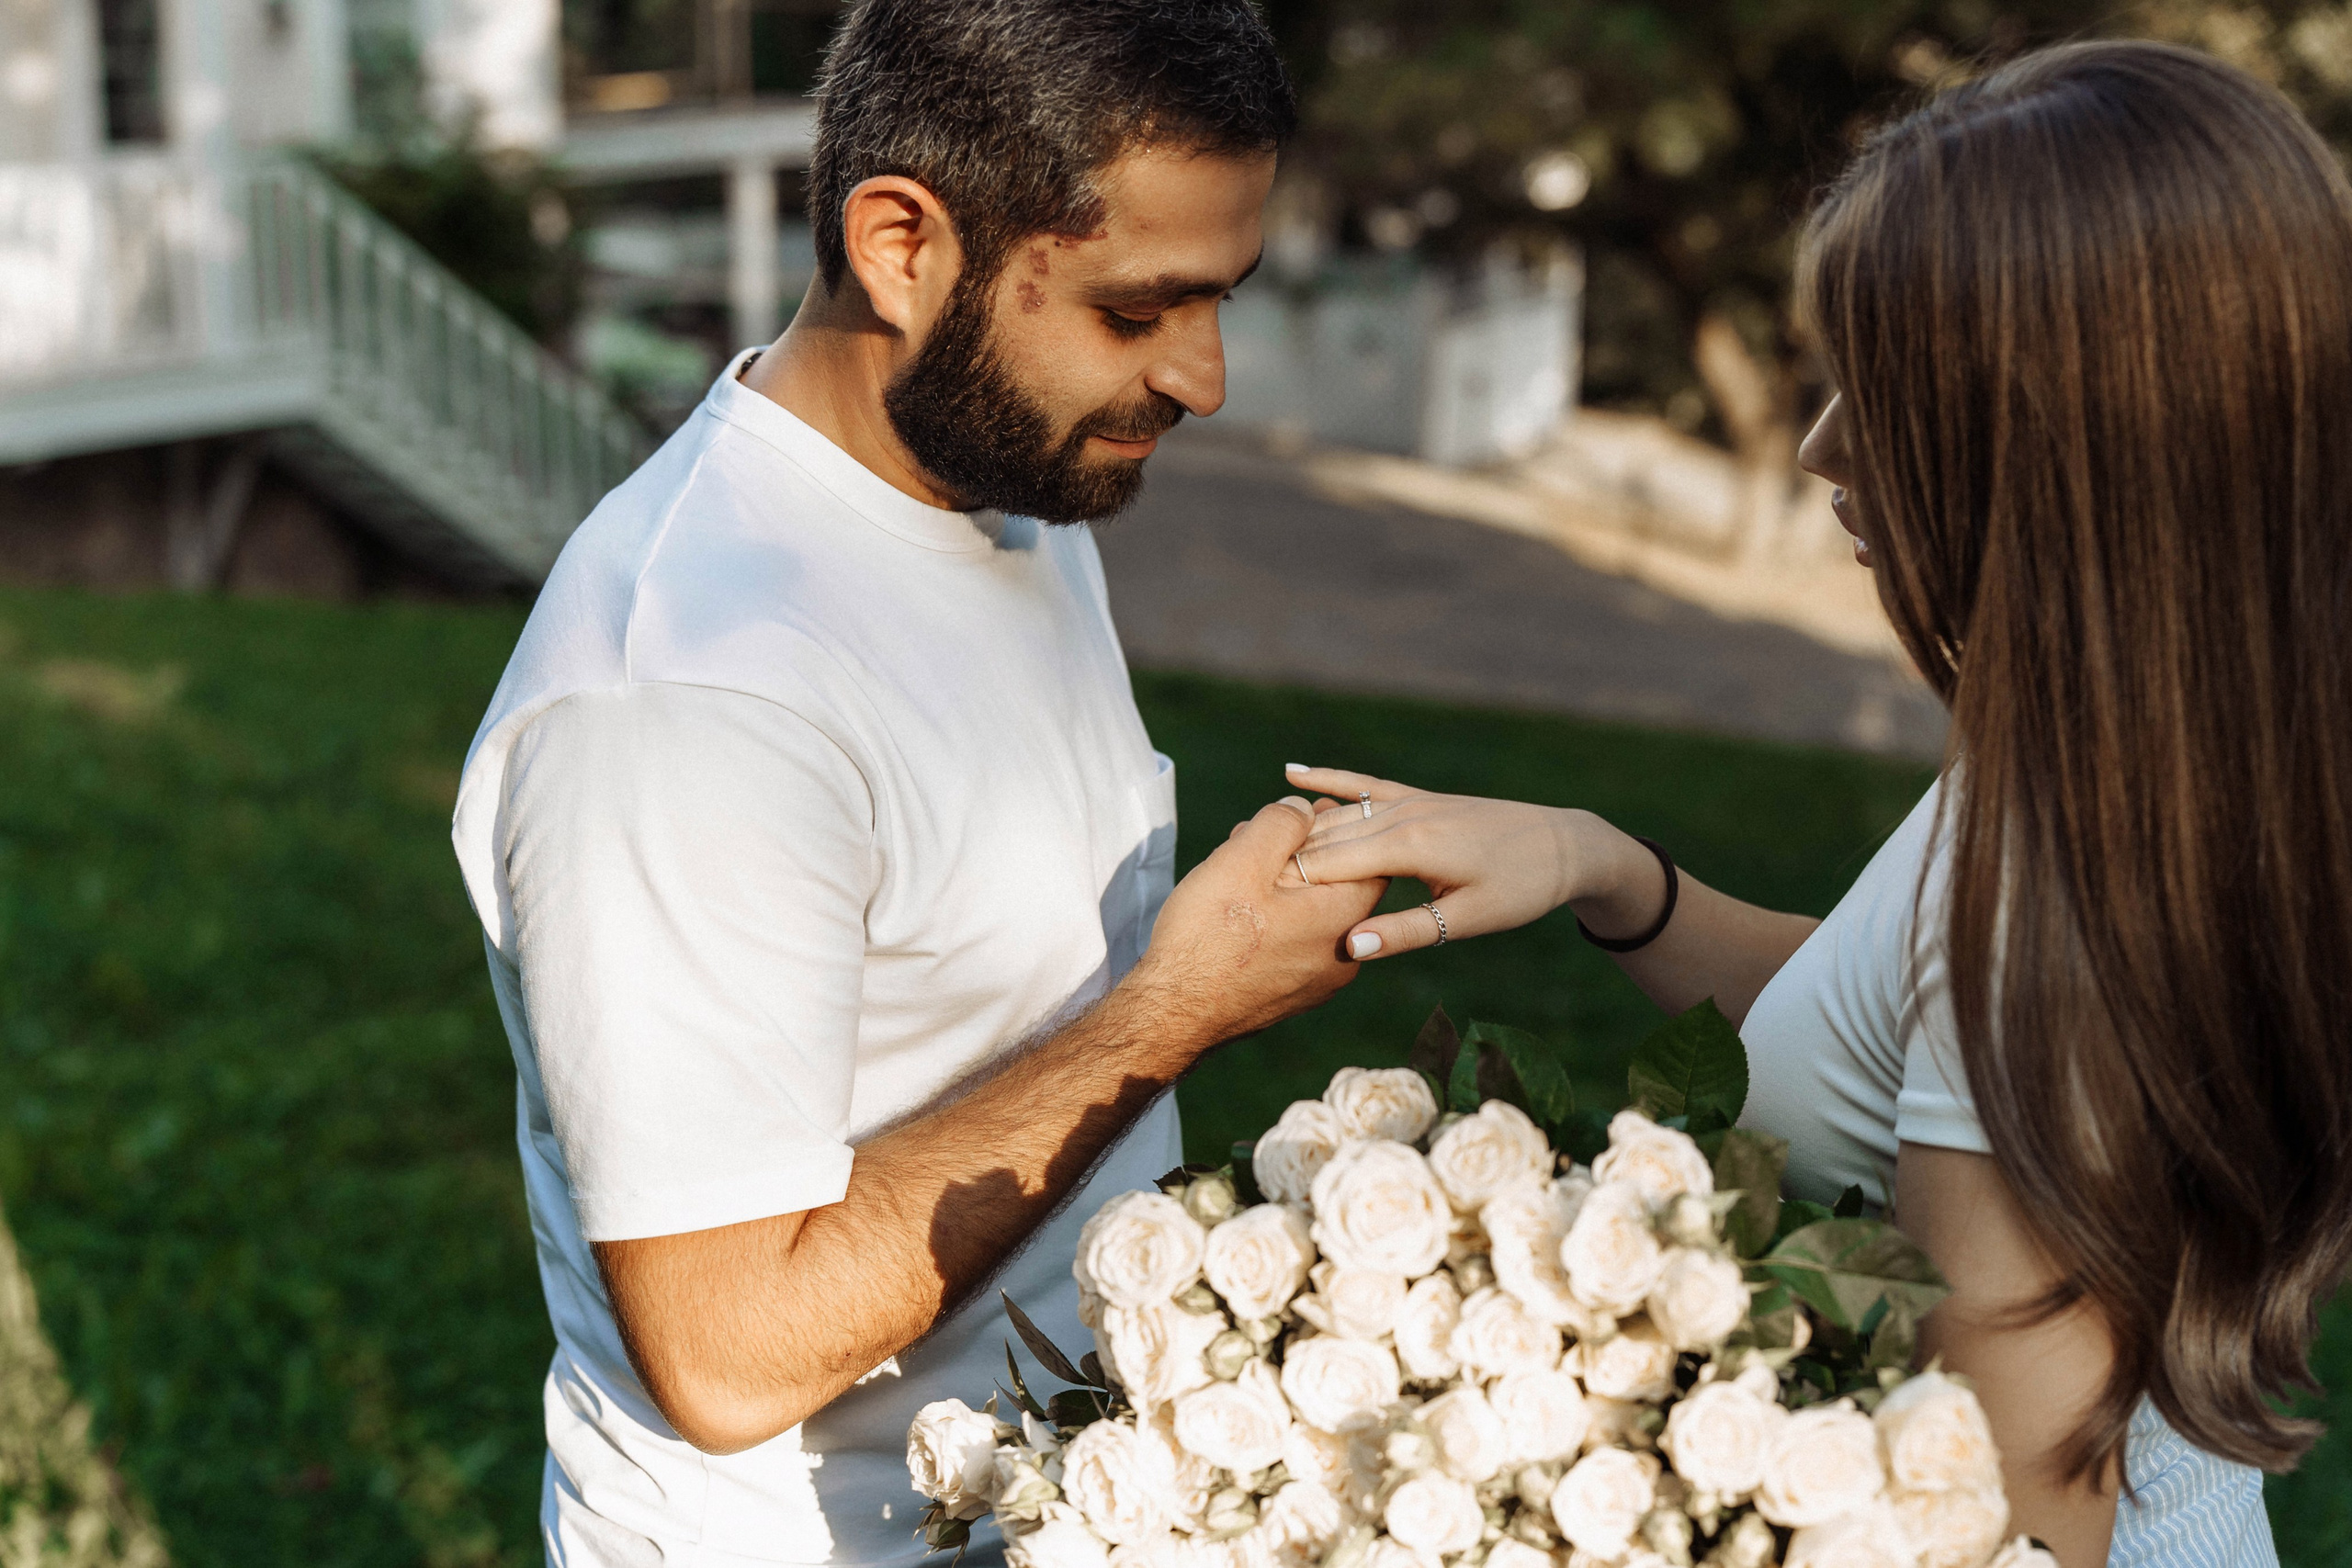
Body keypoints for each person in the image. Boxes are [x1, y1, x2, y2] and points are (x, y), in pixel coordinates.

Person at [1282, 40, 2352, 1566]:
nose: (1822, 446)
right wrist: (1606, 870)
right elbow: (1899, 1036)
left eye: (1888, 400)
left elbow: (1998, 1521)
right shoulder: (2133, 771)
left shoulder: (2062, 898)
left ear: (2055, 450)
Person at [447, 4, 1382, 1562]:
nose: (1205, 378)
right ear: (900, 243)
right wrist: (1177, 1011)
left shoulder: (1015, 491)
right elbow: (727, 1352)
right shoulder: (688, 691)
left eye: (1222, 298)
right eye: (1143, 308)